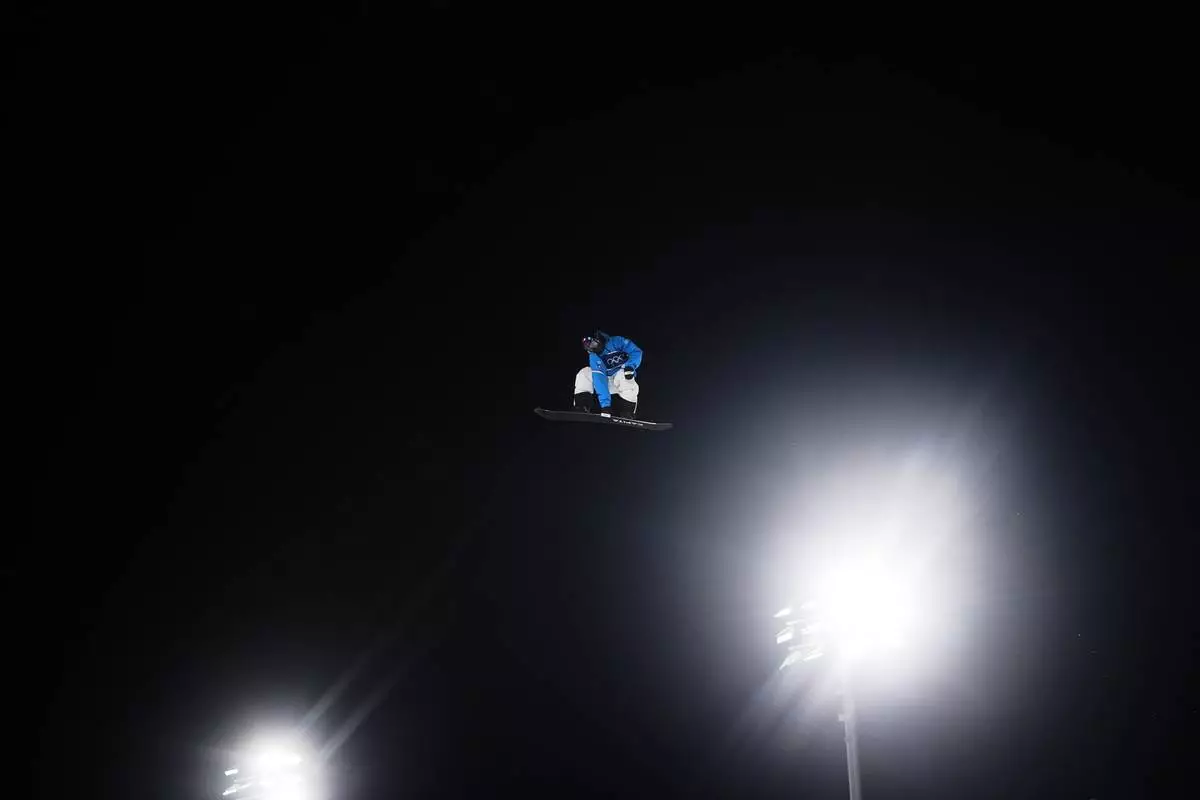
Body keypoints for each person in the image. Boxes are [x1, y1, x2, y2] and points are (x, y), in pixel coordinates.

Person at [573, 330, 642, 418]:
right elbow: (599, 379)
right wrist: (605, 407)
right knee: (584, 373)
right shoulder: (594, 356)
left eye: (593, 344)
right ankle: (582, 406)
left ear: (597, 340)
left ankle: (627, 412)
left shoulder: (616, 341)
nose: (593, 349)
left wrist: (630, 366)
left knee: (623, 375)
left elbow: (635, 351)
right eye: (589, 348)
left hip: (622, 379)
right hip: (607, 382)